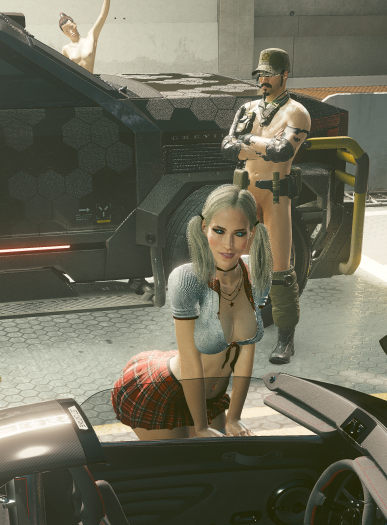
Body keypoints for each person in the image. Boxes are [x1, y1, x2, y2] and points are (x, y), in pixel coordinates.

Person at [111, 184, 271, 440]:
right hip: (168, 391)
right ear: (204, 227)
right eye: (219, 231)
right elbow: (190, 362)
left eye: (239, 233)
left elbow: (246, 352)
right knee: (180, 464)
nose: (228, 244)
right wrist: (200, 428)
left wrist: (234, 416)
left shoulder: (256, 275)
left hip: (213, 399)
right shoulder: (186, 278)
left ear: (252, 232)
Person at [223, 48, 310, 365]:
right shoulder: (247, 108)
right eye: (260, 74)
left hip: (275, 196)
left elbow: (282, 152)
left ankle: (286, 340)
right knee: (232, 265)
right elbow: (228, 147)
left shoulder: (297, 113)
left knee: (280, 271)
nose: (263, 79)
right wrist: (262, 144)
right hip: (244, 193)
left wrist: (247, 142)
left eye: (269, 74)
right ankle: (234, 327)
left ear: (285, 75)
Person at [57, 0, 110, 73]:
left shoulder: (91, 37)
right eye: (66, 31)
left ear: (75, 24)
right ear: (64, 33)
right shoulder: (65, 49)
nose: (71, 32)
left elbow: (102, 16)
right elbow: (64, 71)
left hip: (90, 79)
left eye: (71, 27)